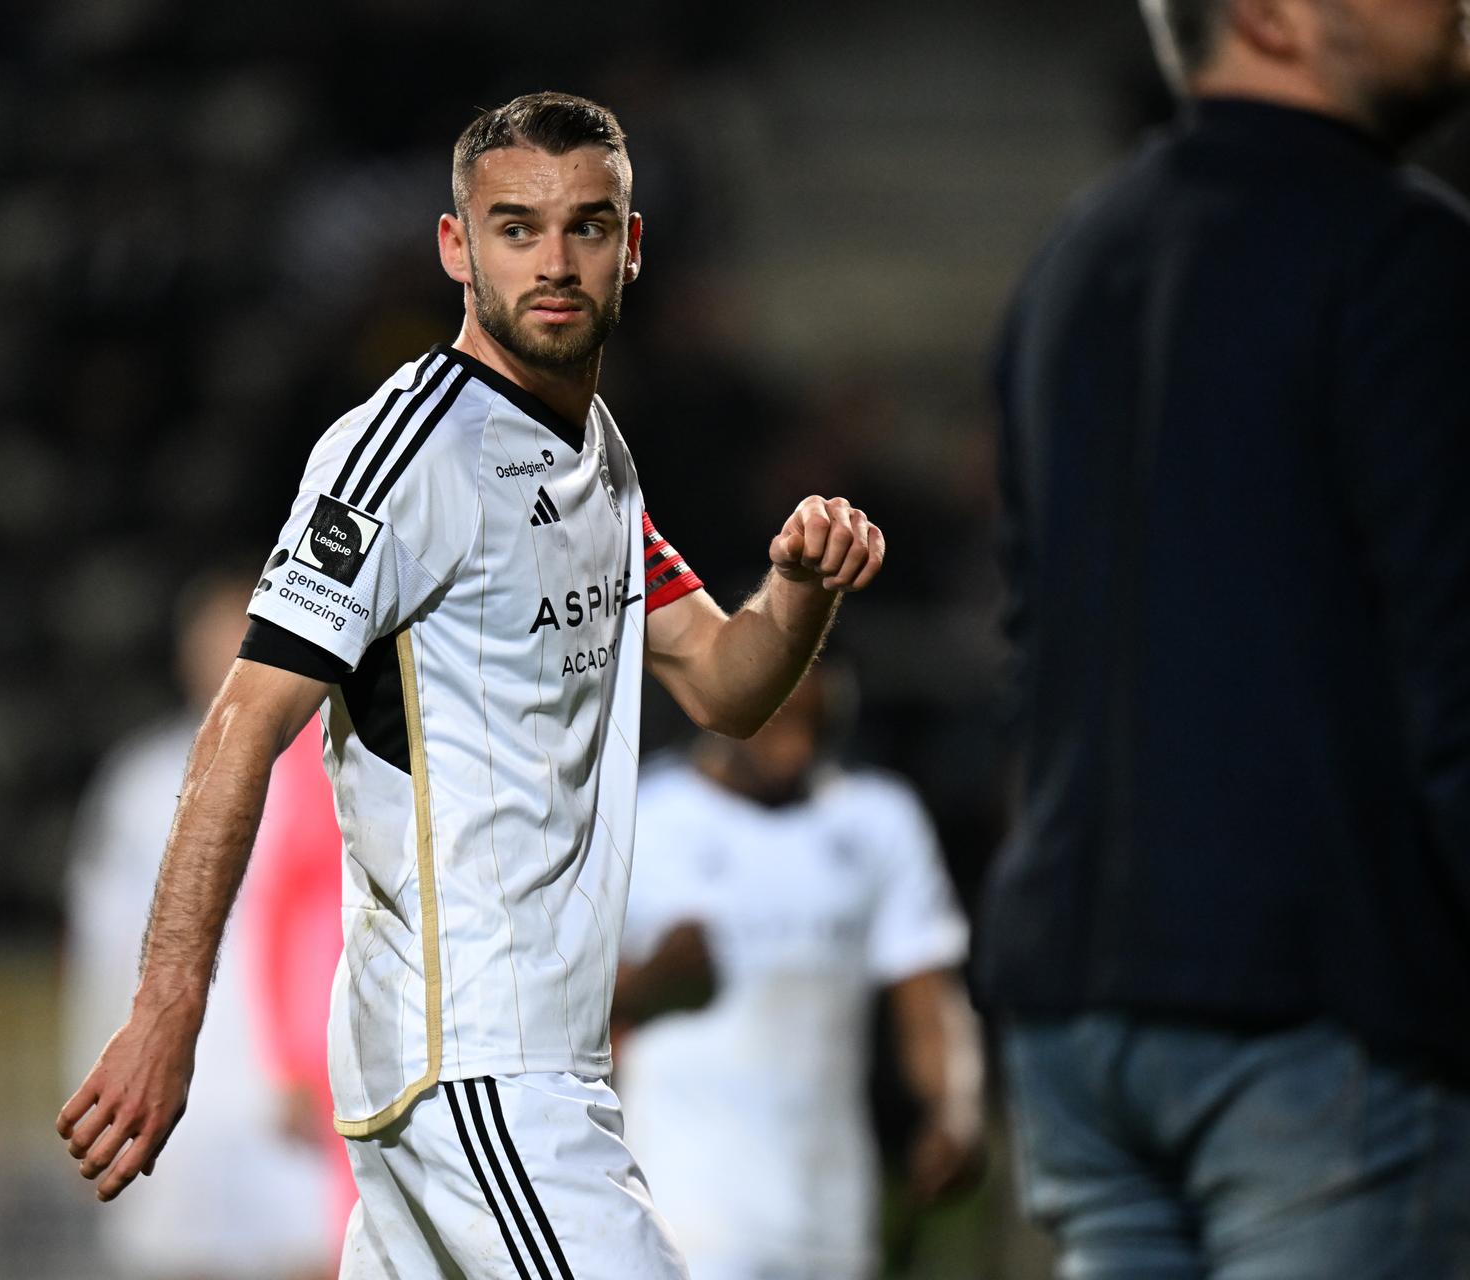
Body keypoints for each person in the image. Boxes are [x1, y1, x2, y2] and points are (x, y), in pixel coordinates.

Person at [57, 91, 886, 1279]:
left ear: (631, 246)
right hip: (481, 1067)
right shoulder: (403, 456)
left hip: (507, 1069)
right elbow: (242, 722)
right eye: (515, 227)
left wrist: (799, 589)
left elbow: (723, 682)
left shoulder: (596, 457)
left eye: (586, 226)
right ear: (456, 247)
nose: (554, 261)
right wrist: (168, 1006)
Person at [980, 0, 1470, 1274]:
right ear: (1268, 14)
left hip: (1077, 1005)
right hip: (1316, 1005)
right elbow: (1453, 660)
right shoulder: (1402, 251)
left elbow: (1035, 652)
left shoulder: (1074, 258)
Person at [616, 663, 982, 1280]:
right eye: (780, 723)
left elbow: (927, 991)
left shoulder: (879, 821)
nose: (798, 750)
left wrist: (955, 1110)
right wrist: (652, 981)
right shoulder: (640, 816)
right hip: (685, 1214)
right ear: (729, 705)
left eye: (819, 728)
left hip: (830, 1218)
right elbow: (558, 1004)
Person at [62, 571, 350, 1279]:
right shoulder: (138, 784)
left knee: (313, 1255)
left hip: (291, 1093)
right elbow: (102, 945)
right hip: (176, 1090)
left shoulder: (333, 767)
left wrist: (324, 1067)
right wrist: (92, 1076)